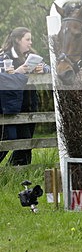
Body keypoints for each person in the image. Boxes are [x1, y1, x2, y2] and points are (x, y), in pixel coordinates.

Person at [0, 27, 50, 166]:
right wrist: (17, 72)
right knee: (8, 138)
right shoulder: (4, 57)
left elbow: (49, 68)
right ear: (17, 40)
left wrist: (42, 69)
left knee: (26, 142)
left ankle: (18, 172)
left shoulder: (31, 56)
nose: (30, 42)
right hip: (9, 106)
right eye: (27, 39)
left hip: (29, 103)